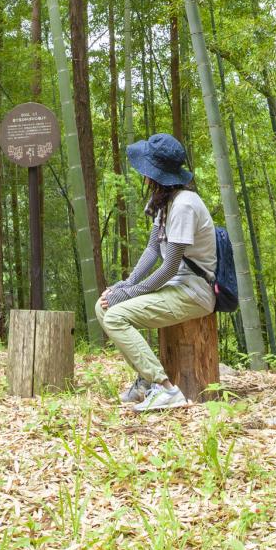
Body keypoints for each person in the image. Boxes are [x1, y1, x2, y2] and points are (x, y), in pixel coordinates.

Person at [97, 133, 218, 412]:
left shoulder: (185, 204)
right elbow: (153, 250)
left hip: (193, 291)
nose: (143, 175)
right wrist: (125, 284)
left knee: (115, 316)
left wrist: (128, 294)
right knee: (103, 307)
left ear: (157, 173)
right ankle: (147, 381)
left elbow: (169, 266)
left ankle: (165, 389)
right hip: (175, 286)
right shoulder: (165, 201)